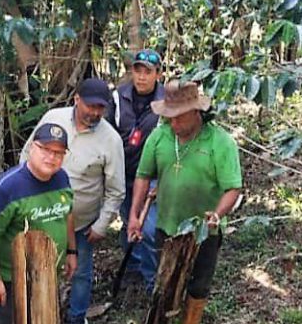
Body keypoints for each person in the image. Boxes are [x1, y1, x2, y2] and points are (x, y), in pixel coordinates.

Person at [127, 80, 242, 324]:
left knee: (198, 285)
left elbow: (233, 187)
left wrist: (217, 215)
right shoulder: (160, 136)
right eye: (169, 117)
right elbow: (143, 175)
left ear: (196, 112)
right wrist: (134, 216)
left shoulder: (219, 142)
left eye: (179, 117)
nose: (173, 123)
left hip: (204, 232)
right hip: (166, 226)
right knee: (166, 281)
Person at [20, 79, 125, 324]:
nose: (96, 113)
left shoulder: (110, 139)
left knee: (80, 273)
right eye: (91, 106)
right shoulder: (53, 118)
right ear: (76, 99)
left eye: (101, 108)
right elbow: (27, 156)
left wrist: (101, 225)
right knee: (38, 269)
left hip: (81, 224)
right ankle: (41, 315)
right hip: (41, 217)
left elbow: (116, 190)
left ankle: (76, 318)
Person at [0, 123, 77, 324]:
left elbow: (67, 215)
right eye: (45, 149)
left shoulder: (62, 179)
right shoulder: (7, 188)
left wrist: (71, 252)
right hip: (13, 279)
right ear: (32, 148)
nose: (52, 157)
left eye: (58, 153)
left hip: (48, 274)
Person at [107, 48, 164, 294]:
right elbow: (106, 132)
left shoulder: (167, 101)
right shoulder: (118, 97)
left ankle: (153, 280)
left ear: (158, 75)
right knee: (127, 222)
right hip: (123, 172)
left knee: (149, 227)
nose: (141, 77)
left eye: (148, 72)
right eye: (137, 71)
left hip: (152, 175)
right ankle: (133, 266)